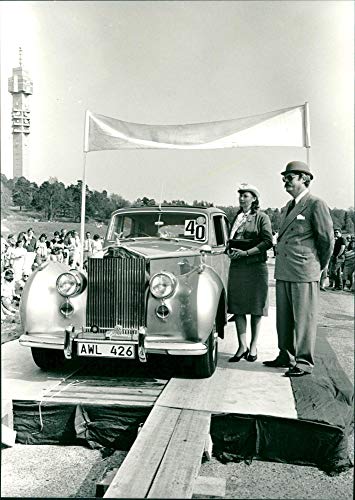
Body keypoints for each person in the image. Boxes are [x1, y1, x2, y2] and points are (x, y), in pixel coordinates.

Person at [263, 161, 334, 377]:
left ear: (304, 178)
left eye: (290, 177)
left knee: (303, 319)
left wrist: (321, 269)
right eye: (284, 177)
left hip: (304, 270)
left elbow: (326, 240)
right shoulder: (288, 207)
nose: (285, 181)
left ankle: (303, 362)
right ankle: (286, 354)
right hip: (285, 269)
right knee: (284, 317)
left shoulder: (315, 204)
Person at [227, 183, 273, 363]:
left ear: (254, 198)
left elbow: (267, 241)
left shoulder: (262, 217)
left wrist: (247, 252)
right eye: (240, 195)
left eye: (245, 195)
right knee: (238, 307)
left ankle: (253, 346)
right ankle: (242, 346)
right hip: (238, 266)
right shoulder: (237, 217)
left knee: (255, 308)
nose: (241, 198)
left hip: (255, 266)